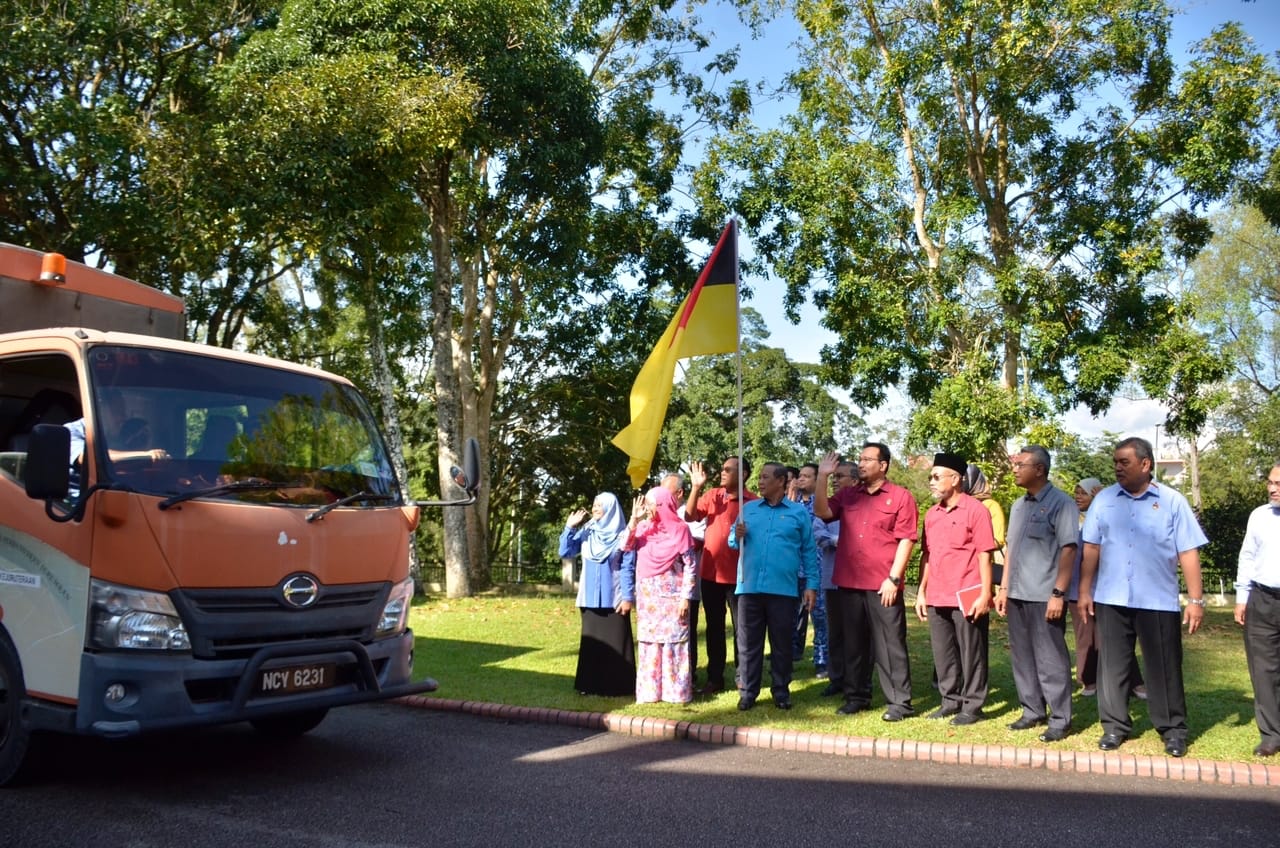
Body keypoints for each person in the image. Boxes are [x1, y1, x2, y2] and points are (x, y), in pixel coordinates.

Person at [1078, 436, 1208, 758]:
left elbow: (1188, 551)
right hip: (1112, 598)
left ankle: (1173, 730)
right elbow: (1091, 548)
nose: (1117, 468)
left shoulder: (1172, 501)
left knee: (1164, 667)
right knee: (1112, 666)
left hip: (1157, 601)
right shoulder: (1104, 500)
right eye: (1115, 463)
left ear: (1146, 464)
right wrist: (1084, 590)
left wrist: (1195, 600)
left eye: (1124, 462)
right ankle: (1114, 726)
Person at [814, 444, 919, 722]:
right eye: (859, 459)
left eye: (866, 459)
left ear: (883, 465)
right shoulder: (849, 495)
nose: (860, 464)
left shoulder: (900, 497)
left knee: (889, 643)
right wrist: (822, 477)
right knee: (853, 643)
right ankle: (856, 696)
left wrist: (894, 578)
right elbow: (822, 512)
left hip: (882, 583)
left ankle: (899, 702)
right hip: (849, 582)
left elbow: (906, 539)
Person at [996, 446, 1079, 742]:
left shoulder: (1062, 503)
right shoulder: (1019, 505)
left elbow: (1069, 548)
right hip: (1017, 592)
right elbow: (1011, 551)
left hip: (1044, 594)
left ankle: (1060, 718)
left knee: (1050, 658)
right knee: (1022, 656)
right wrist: (1003, 588)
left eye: (1021, 465)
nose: (1015, 469)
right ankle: (1032, 710)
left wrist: (1059, 592)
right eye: (1015, 464)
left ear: (1040, 469)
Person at [728, 462, 819, 710]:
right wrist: (737, 535)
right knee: (748, 644)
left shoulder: (797, 513)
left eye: (765, 477)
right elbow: (732, 542)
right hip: (749, 588)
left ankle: (781, 691)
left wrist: (811, 585)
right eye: (759, 477)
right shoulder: (748, 509)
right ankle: (748, 692)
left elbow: (809, 551)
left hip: (783, 590)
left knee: (781, 644)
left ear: (780, 481)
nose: (760, 481)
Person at [916, 452, 996, 725]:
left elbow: (986, 554)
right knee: (943, 652)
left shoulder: (976, 510)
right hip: (938, 592)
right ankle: (949, 700)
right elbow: (927, 555)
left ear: (956, 479)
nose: (932, 481)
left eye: (937, 476)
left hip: (967, 593)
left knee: (971, 652)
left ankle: (972, 705)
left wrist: (986, 593)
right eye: (931, 477)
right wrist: (922, 592)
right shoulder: (931, 514)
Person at [619, 486, 698, 703]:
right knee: (650, 642)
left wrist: (685, 597)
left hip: (673, 595)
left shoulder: (680, 530)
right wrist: (633, 521)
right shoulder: (644, 528)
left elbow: (691, 565)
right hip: (648, 596)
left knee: (674, 641)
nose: (647, 507)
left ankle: (676, 693)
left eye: (651, 503)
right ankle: (649, 692)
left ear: (663, 505)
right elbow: (624, 546)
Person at [1069, 479, 1146, 699]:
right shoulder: (1072, 519)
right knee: (1085, 638)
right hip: (1077, 590)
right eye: (1075, 493)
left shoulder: (1105, 516)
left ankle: (1133, 682)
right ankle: (1088, 681)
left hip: (1105, 590)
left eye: (1082, 493)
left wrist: (1102, 501)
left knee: (1113, 638)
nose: (1077, 497)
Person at [685, 456, 756, 694]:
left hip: (740, 576)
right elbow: (689, 515)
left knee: (742, 628)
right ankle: (715, 678)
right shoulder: (713, 495)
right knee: (714, 628)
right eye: (722, 469)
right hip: (710, 574)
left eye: (728, 469)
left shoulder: (754, 502)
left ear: (743, 474)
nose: (722, 473)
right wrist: (696, 487)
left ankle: (743, 675)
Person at [559, 493, 636, 696]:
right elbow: (565, 552)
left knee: (616, 642)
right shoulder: (588, 532)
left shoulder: (623, 535)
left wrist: (628, 597)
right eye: (594, 505)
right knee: (592, 644)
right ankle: (589, 685)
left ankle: (617, 687)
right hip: (589, 598)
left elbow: (628, 567)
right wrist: (570, 527)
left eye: (600, 505)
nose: (595, 508)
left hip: (614, 599)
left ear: (611, 509)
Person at [1234, 463, 1280, 757]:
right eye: (1270, 482)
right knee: (1263, 670)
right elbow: (1247, 556)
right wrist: (1241, 597)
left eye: (1279, 483)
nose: (1273, 488)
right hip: (1262, 599)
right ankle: (1272, 734)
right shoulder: (1259, 516)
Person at [813, 459, 857, 696]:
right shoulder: (827, 506)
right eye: (835, 476)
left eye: (840, 476)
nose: (836, 480)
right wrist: (837, 541)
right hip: (832, 578)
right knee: (836, 631)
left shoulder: (860, 504)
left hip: (858, 580)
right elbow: (818, 534)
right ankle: (836, 678)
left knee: (857, 631)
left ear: (854, 479)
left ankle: (856, 679)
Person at [661, 471, 704, 680]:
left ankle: (688, 674)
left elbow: (699, 542)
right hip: (660, 589)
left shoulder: (690, 515)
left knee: (686, 631)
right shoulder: (656, 515)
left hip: (685, 588)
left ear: (679, 493)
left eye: (666, 492)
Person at [791, 462, 828, 676]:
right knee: (788, 617)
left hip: (816, 569)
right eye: (800, 476)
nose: (800, 479)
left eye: (806, 476)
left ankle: (822, 660)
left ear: (816, 480)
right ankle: (786, 657)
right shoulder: (791, 506)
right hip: (792, 570)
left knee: (820, 617)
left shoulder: (821, 505)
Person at [964, 464, 1006, 589]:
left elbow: (998, 541)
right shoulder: (955, 505)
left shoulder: (990, 505)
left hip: (979, 571)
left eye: (964, 478)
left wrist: (968, 546)